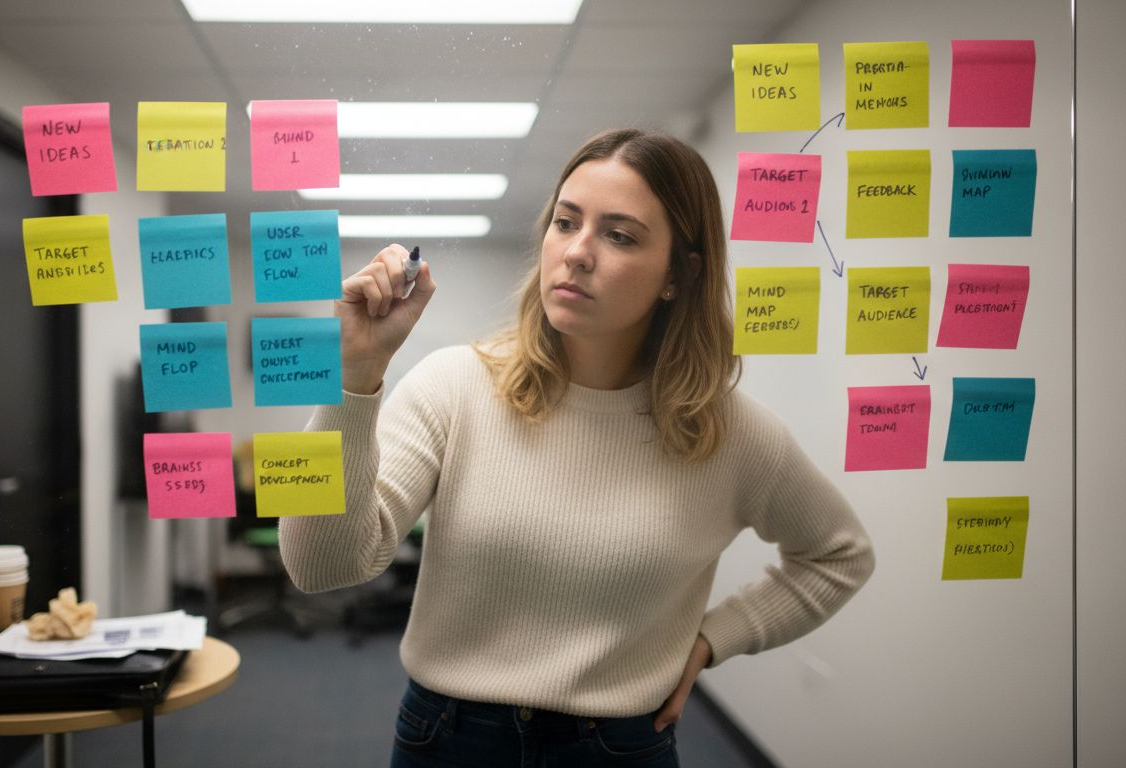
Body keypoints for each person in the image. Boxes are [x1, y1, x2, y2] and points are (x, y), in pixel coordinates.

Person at [279, 128, 874, 767]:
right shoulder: (454, 384)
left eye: (619, 235)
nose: (577, 253)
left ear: (680, 273)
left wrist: (711, 642)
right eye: (566, 222)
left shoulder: (728, 431)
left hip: (620, 747)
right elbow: (319, 568)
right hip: (448, 737)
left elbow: (839, 555)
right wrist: (352, 378)